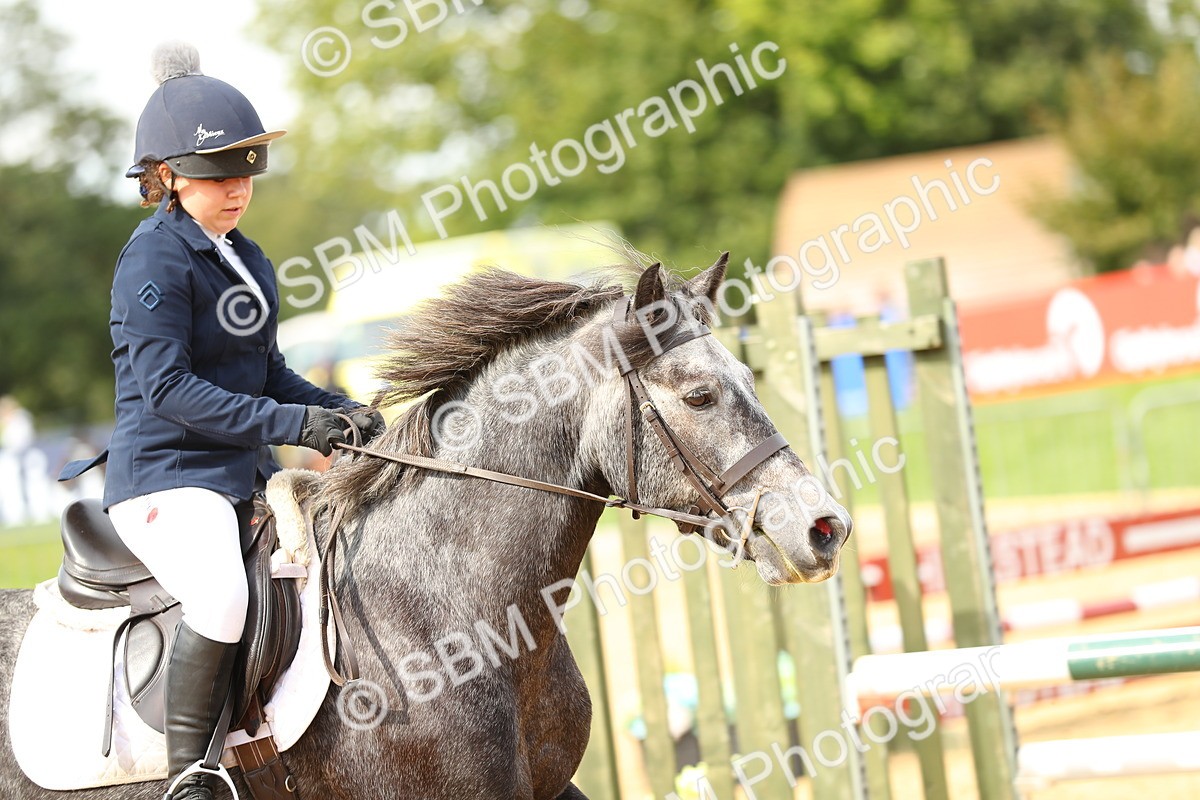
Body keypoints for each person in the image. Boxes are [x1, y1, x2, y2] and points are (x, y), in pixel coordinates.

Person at [59, 42, 385, 800]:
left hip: (241, 474)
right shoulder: (153, 263)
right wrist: (294, 426)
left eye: (246, 172)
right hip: (168, 480)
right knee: (223, 597)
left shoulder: (246, 257)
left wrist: (344, 412)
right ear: (167, 177)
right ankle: (191, 775)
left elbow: (266, 372)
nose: (237, 188)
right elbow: (169, 389)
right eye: (217, 176)